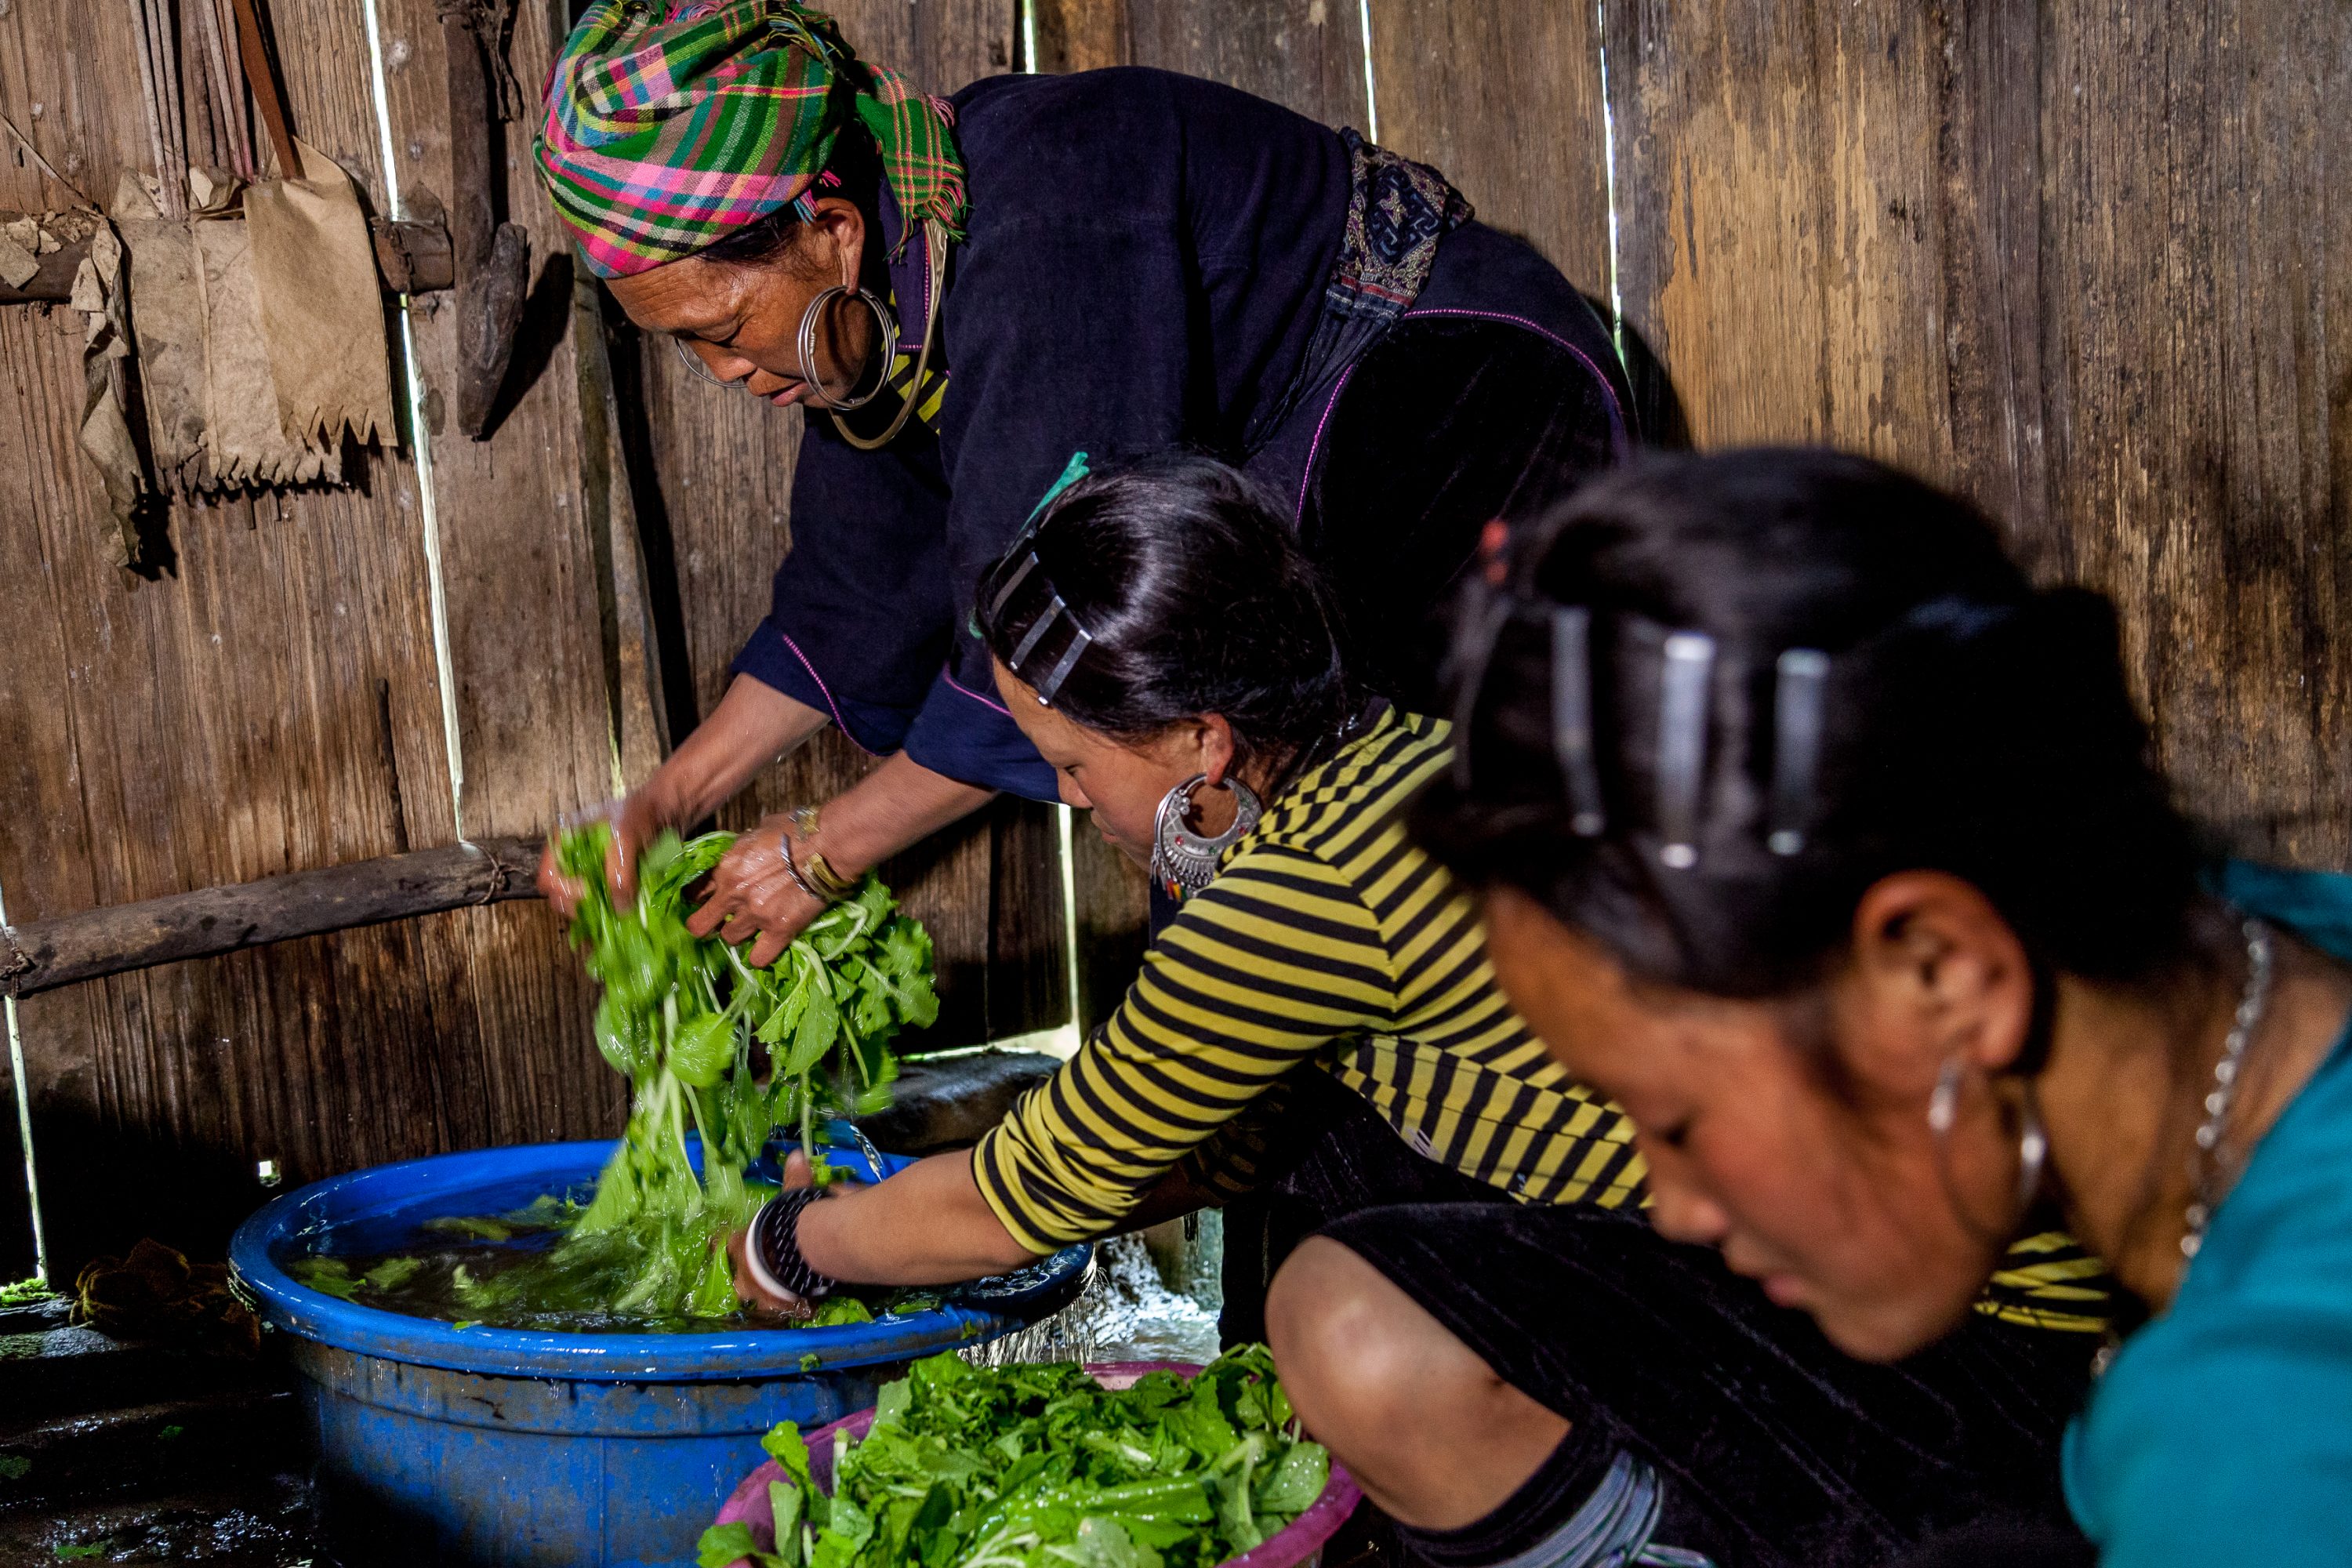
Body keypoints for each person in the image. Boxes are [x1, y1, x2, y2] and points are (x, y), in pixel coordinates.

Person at [723, 453, 2097, 1568]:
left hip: (1954, 1375)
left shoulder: (1298, 897)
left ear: (1204, 741)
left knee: (1343, 1314)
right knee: (1314, 1166)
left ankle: (1645, 1545)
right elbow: (1186, 1136)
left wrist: (793, 1244)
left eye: (1075, 766)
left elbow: (1045, 1185)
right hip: (1946, 1307)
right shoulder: (1395, 758)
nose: (1073, 806)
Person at [528, 0, 1631, 963]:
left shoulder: (1047, 224)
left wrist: (826, 854)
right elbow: (854, 589)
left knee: (1307, 853)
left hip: (1447, 411)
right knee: (1224, 864)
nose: (721, 370)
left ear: (830, 227)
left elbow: (1059, 643)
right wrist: (667, 800)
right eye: (686, 347)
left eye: (724, 328)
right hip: (1283, 469)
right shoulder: (893, 288)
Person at [1413, 447, 2352, 1566]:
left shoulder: (2261, 1455)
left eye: (1673, 1121)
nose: (1674, 1207)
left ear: (1942, 972)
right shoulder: (2273, 948)